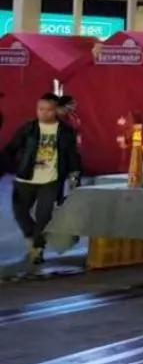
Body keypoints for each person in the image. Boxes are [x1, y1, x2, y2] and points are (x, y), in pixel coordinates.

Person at [4, 93, 80, 265]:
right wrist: (13, 165)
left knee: (44, 215)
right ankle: (32, 238)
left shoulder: (65, 132)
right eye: (40, 109)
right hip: (25, 178)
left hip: (51, 180)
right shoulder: (28, 129)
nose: (44, 113)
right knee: (20, 213)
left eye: (48, 110)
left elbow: (72, 157)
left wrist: (74, 179)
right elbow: (10, 149)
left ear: (56, 111)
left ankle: (38, 249)